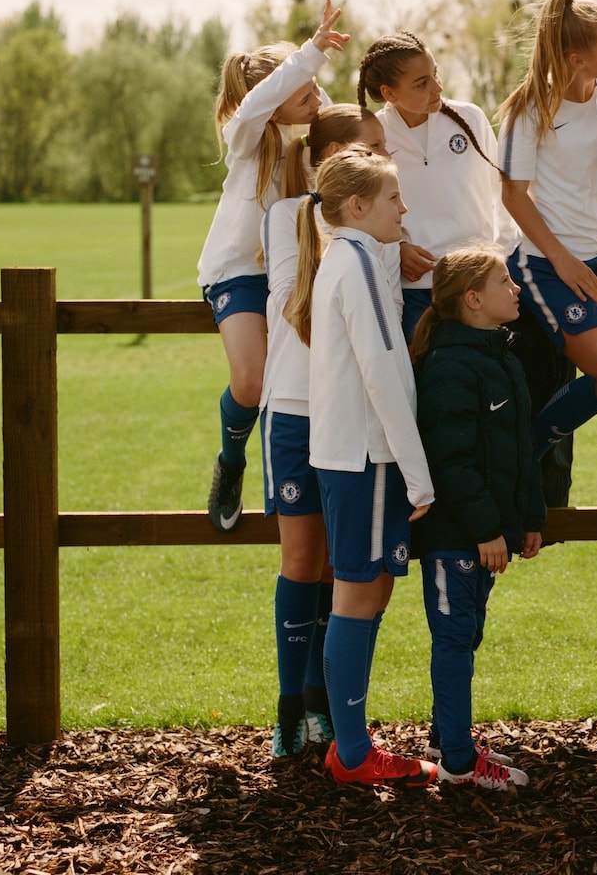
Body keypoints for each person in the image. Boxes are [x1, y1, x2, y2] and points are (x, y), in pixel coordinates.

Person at [285, 144, 437, 788]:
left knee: (370, 589)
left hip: (356, 455)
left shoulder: (352, 259)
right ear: (357, 207)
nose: (405, 208)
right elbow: (383, 369)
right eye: (395, 198)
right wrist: (418, 472)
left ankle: (354, 743)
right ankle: (351, 753)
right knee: (358, 591)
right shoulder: (354, 265)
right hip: (366, 458)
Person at [260, 104, 390, 759]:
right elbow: (293, 302)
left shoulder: (385, 227)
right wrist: (349, 250)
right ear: (335, 156)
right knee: (302, 560)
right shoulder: (288, 218)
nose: (385, 156)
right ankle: (289, 713)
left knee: (347, 567)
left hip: (353, 420)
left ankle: (326, 707)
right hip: (293, 405)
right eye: (372, 147)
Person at [196, 0, 348, 532]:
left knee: (304, 385)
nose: (316, 99)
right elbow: (257, 105)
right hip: (238, 271)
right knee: (252, 380)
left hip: (294, 270)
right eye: (302, 94)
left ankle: (302, 496)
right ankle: (231, 461)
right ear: (276, 101)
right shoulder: (247, 140)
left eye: (314, 93)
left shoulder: (313, 137)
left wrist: (311, 88)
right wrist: (308, 55)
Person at [410, 245, 545, 792]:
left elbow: (520, 448)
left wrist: (528, 518)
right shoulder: (448, 366)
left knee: (467, 636)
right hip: (454, 536)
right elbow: (451, 461)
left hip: (485, 535)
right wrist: (487, 529)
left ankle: (450, 739)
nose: (515, 289)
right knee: (454, 637)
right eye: (504, 281)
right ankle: (461, 763)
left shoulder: (500, 357)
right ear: (473, 300)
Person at [497, 0, 597, 457]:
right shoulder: (530, 108)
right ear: (577, 59)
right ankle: (529, 457)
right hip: (543, 265)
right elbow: (513, 195)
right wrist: (561, 261)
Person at [356, 32, 519, 343]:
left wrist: (500, 259)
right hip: (414, 292)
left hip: (478, 287)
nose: (437, 88)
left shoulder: (469, 117)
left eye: (435, 74)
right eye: (422, 83)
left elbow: (502, 195)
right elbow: (360, 216)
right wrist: (397, 249)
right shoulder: (374, 135)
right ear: (389, 93)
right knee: (427, 385)